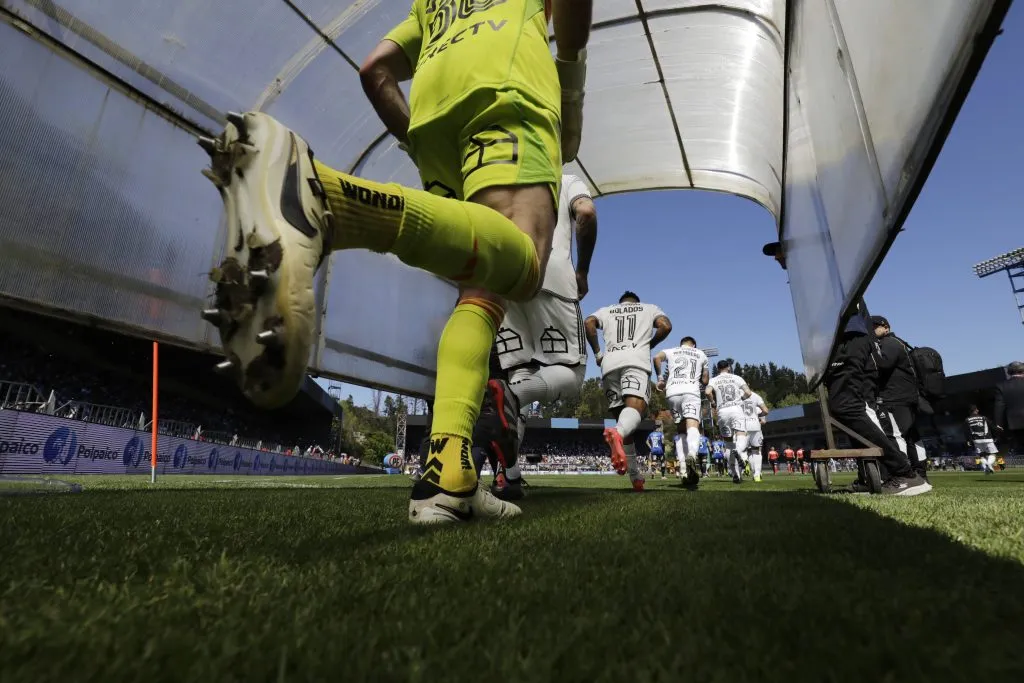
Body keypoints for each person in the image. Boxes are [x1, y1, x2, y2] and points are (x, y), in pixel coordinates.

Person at [199, 1, 594, 524]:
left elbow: (374, 70)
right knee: (523, 266)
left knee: (481, 293)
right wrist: (569, 76)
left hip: (430, 116)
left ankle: (449, 473)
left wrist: (421, 144)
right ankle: (335, 202)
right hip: (506, 87)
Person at [485, 171, 598, 501]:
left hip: (501, 277)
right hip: (549, 270)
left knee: (520, 370)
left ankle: (510, 477)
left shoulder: (493, 174)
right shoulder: (563, 177)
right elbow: (586, 213)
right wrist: (583, 270)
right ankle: (513, 396)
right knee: (571, 372)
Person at [825, 315, 929, 495]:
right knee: (843, 408)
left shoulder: (890, 342)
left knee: (848, 407)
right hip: (841, 336)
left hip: (850, 335)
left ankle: (904, 473)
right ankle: (875, 475)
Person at [585, 291, 672, 490]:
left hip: (609, 366)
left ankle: (635, 476)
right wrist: (649, 344)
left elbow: (588, 323)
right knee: (635, 411)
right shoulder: (649, 308)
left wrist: (598, 353)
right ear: (636, 302)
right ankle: (617, 433)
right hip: (635, 362)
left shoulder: (606, 311)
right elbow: (666, 326)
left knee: (625, 424)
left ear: (621, 303)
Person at [872, 316, 928, 480]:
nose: (872, 330)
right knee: (911, 436)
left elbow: (883, 363)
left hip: (897, 398)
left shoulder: (890, 343)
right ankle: (919, 472)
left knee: (898, 436)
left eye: (875, 326)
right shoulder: (897, 343)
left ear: (886, 327)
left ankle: (907, 472)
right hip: (904, 396)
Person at [654, 337, 710, 487]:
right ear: (694, 345)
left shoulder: (671, 351)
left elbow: (656, 358)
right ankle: (692, 453)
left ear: (681, 344)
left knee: (680, 431)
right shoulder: (700, 354)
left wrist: (660, 378)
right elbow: (705, 380)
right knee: (693, 426)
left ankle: (684, 471)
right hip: (690, 392)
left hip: (672, 393)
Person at [707, 360, 752, 484]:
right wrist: (741, 399)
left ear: (718, 368)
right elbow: (748, 392)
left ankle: (735, 474)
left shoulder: (714, 380)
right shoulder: (737, 377)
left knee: (728, 443)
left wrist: (713, 403)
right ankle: (738, 450)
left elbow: (707, 392)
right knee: (741, 434)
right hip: (736, 409)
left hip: (722, 411)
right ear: (728, 367)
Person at [993, 361, 1024, 452]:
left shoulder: (1001, 386)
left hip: (1016, 424)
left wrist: (999, 424)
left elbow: (999, 406)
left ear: (1009, 372)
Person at [741, 391, 769, 482]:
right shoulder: (756, 397)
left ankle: (745, 462)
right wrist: (758, 416)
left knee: (745, 451)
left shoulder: (737, 397)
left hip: (743, 427)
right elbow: (765, 412)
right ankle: (757, 474)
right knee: (756, 451)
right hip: (755, 426)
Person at [965, 405, 998, 475]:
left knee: (981, 455)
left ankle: (986, 466)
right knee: (993, 454)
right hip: (987, 438)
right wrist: (998, 429)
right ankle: (989, 464)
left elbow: (966, 431)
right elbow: (992, 426)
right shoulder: (983, 417)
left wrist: (968, 440)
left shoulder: (967, 420)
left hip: (976, 440)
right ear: (976, 410)